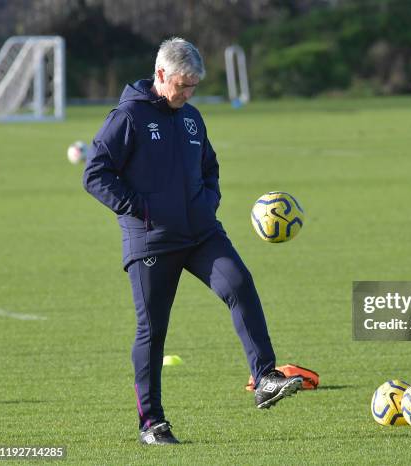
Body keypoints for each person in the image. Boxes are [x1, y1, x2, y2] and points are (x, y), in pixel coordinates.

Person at [83, 37, 303, 445]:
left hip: (201, 233)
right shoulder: (128, 117)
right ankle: (152, 424)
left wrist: (208, 201)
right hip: (151, 241)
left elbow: (210, 166)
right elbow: (95, 173)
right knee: (153, 331)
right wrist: (141, 209)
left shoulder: (191, 118)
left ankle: (266, 377)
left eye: (194, 87)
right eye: (182, 85)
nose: (187, 94)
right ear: (161, 74)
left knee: (239, 284)